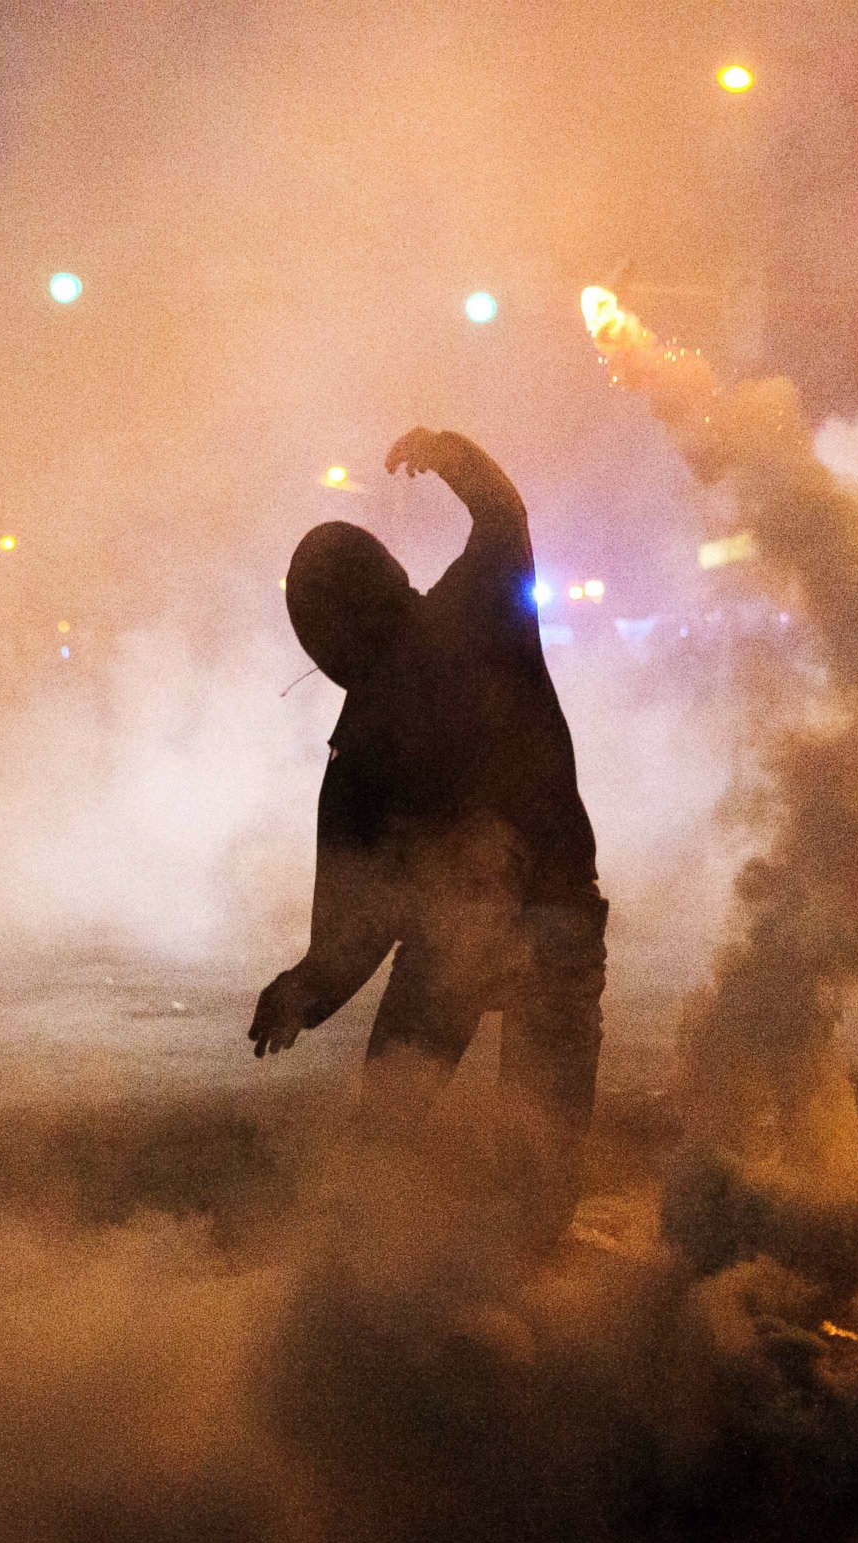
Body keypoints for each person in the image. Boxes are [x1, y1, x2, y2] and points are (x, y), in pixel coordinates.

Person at [250, 427, 606, 1244]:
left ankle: (416, 1305)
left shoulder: (386, 709)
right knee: (495, 1170)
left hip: (517, 933)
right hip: (509, 931)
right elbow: (356, 913)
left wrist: (310, 985)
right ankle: (429, 1297)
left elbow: (354, 920)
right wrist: (307, 985)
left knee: (415, 1144)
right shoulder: (466, 621)